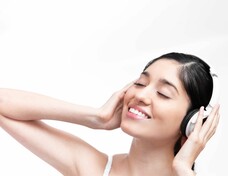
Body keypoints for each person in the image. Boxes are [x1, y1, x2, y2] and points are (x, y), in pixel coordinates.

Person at [0, 52, 220, 176]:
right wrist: (96, 117)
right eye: (140, 83)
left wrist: (182, 168)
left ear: (193, 122)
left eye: (163, 93)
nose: (141, 95)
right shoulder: (94, 169)